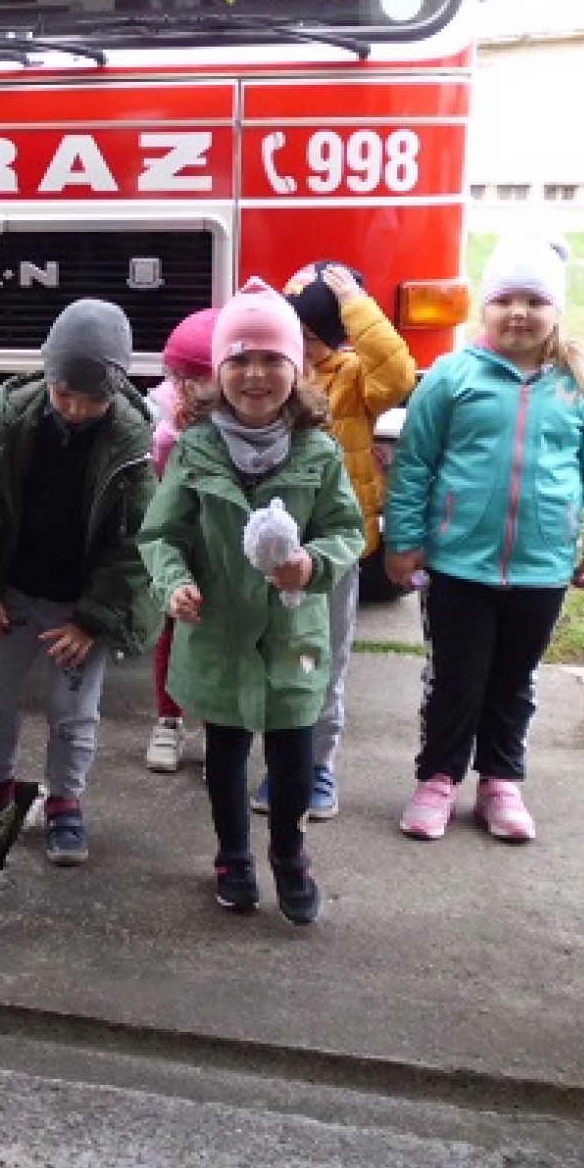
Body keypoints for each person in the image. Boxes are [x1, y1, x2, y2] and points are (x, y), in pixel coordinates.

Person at [383, 233, 584, 846]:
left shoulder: (582, 384)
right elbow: (415, 461)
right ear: (484, 308)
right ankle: (437, 779)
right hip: (458, 564)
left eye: (534, 301)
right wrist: (405, 539)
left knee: (513, 680)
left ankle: (500, 781)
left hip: (539, 567)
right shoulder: (452, 377)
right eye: (504, 300)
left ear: (556, 311)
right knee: (454, 679)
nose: (518, 313)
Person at [139, 280, 364, 923]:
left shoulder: (318, 453)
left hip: (293, 639)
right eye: (239, 359)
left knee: (292, 758)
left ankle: (289, 853)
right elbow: (162, 533)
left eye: (273, 359)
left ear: (297, 369)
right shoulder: (197, 450)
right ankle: (233, 855)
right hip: (218, 634)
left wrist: (313, 565)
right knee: (226, 754)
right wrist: (172, 583)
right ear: (217, 371)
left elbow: (347, 531)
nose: (256, 375)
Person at [0, 299, 160, 865]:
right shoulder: (11, 419)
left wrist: (94, 620)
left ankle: (66, 801)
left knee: (74, 712)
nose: (76, 409)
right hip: (13, 594)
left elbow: (134, 545)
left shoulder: (133, 446)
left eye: (93, 399)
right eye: (66, 394)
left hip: (77, 607)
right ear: (48, 373)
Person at [249, 261, 417, 819]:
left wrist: (357, 306)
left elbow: (398, 375)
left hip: (337, 550)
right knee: (271, 657)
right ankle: (280, 763)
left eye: (315, 337)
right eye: (294, 335)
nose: (304, 348)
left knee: (325, 658)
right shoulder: (276, 377)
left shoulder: (352, 379)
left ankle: (315, 767)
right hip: (274, 550)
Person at [142, 308, 218, 774]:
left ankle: (216, 724)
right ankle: (167, 721)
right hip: (177, 546)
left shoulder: (242, 424)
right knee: (169, 632)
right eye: (179, 377)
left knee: (217, 639)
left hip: (222, 550)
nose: (186, 389)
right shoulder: (163, 417)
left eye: (198, 379)